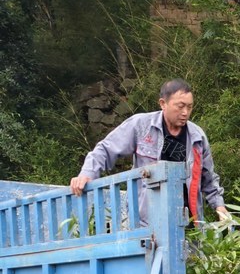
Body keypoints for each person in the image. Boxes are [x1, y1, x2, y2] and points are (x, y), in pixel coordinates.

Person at [70, 78, 229, 224]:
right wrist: (86, 174)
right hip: (147, 223)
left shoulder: (197, 137)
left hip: (188, 223)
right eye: (180, 106)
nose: (185, 112)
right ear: (163, 103)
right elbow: (105, 149)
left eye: (189, 107)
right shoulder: (141, 126)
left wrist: (219, 206)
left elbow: (208, 177)